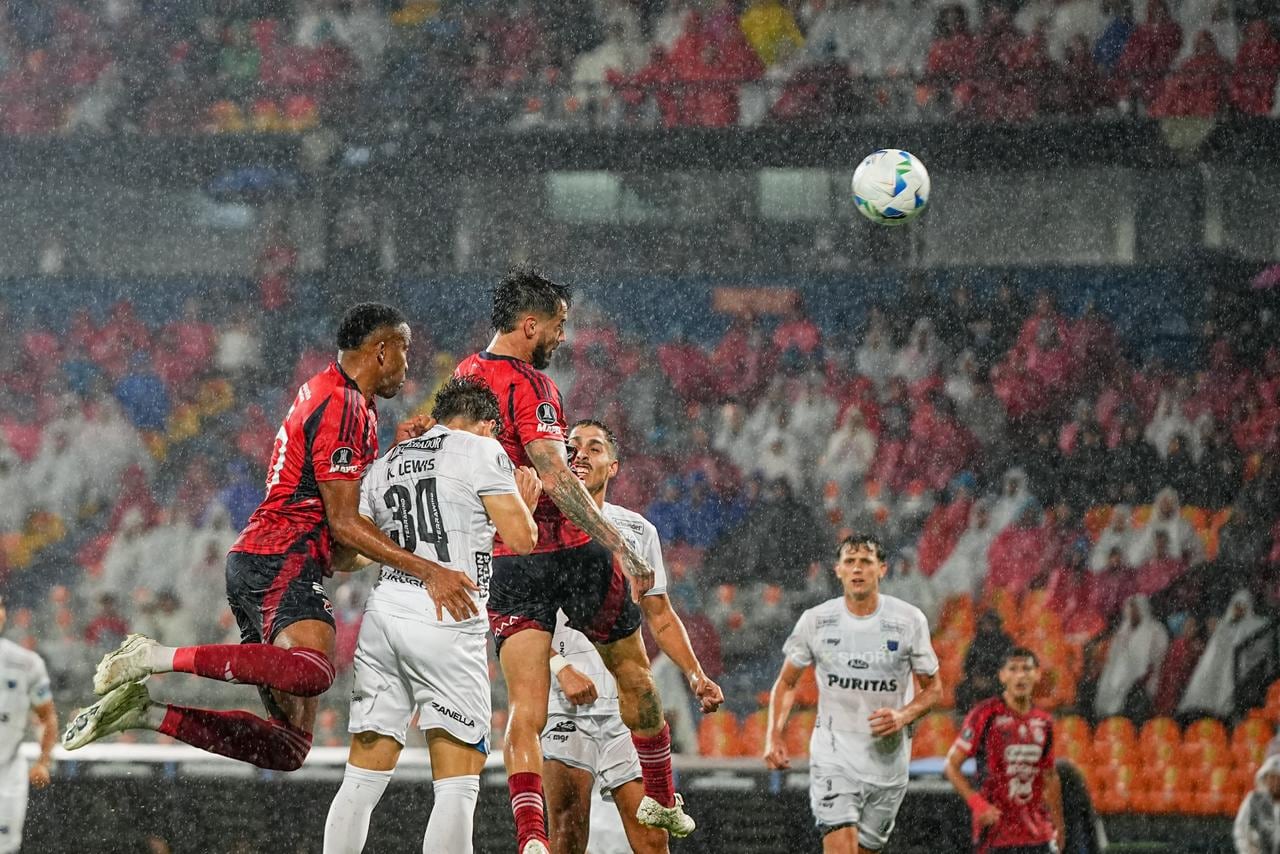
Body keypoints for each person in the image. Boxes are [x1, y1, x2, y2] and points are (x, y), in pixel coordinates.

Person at [64, 304, 473, 771]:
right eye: (404, 350)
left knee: (287, 747)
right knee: (313, 671)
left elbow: (344, 546)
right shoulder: (343, 403)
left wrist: (400, 456)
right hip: (281, 556)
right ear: (381, 350)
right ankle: (153, 656)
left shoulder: (340, 398)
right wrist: (429, 571)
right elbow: (344, 525)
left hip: (269, 558)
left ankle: (144, 712)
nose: (408, 364)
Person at [453, 269, 691, 853]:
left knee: (523, 710)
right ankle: (663, 797)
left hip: (509, 556)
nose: (563, 337)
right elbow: (557, 476)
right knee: (635, 674)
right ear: (531, 325)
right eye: (559, 326)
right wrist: (617, 544)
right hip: (569, 551)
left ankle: (529, 838)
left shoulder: (463, 377)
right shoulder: (532, 384)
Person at [322, 377, 542, 854]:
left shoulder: (388, 461)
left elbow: (348, 555)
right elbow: (522, 539)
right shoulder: (481, 450)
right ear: (487, 424)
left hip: (384, 613)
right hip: (448, 614)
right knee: (457, 782)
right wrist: (526, 502)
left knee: (361, 776)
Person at [542, 420, 725, 854]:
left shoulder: (638, 531)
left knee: (652, 837)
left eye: (594, 448)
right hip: (565, 701)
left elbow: (660, 615)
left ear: (614, 466)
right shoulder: (540, 526)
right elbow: (519, 616)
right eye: (572, 446)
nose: (581, 454)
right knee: (567, 834)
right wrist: (560, 667)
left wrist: (695, 674)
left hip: (628, 709)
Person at [763, 535, 943, 854]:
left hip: (888, 765)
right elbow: (787, 683)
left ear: (882, 569)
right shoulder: (816, 621)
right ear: (838, 570)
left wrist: (902, 716)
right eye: (850, 562)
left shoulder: (908, 621)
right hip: (834, 758)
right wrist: (773, 735)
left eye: (866, 562)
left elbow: (934, 689)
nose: (857, 569)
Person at [944, 648, 1067, 854]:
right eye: (1013, 669)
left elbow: (1049, 776)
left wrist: (1059, 826)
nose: (1020, 675)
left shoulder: (1043, 722)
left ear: (1037, 675)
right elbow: (951, 766)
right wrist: (978, 804)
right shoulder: (985, 715)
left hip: (1038, 834)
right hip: (996, 833)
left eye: (1026, 669)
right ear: (1002, 676)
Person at [0, 595, 58, 854]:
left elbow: (47, 717)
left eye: (1, 605)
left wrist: (43, 762)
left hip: (7, 776)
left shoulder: (26, 664)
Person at [1178, 589, 1268, 718]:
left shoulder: (1253, 626)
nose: (1239, 609)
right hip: (1218, 668)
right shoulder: (1224, 625)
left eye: (1242, 605)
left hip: (1237, 670)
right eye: (1236, 605)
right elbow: (1214, 650)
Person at [1094, 594, 1168, 719]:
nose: (1131, 611)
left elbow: (1158, 657)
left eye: (1135, 608)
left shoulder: (1156, 630)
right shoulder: (1123, 630)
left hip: (1142, 682)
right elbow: (1114, 657)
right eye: (1130, 607)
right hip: (1118, 677)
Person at [1233, 754, 1280, 853]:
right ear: (1265, 778)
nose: (1276, 782)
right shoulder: (1253, 800)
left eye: (1279, 778)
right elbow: (1241, 831)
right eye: (1272, 777)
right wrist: (1248, 850)